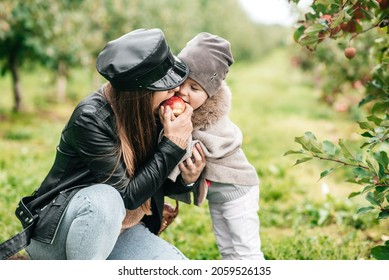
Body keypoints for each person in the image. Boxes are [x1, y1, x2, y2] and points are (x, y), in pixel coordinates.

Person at [11, 28, 206, 260]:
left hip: (119, 232)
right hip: (59, 233)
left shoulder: (153, 114)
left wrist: (187, 179)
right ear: (140, 94)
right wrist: (172, 145)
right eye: (166, 84)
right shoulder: (91, 118)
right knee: (107, 199)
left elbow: (150, 179)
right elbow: (127, 195)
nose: (176, 89)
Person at [172, 32, 265, 260]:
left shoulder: (212, 120)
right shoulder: (185, 110)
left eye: (194, 89)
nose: (184, 92)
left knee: (246, 252)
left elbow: (193, 150)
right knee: (227, 252)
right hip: (219, 196)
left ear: (210, 93)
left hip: (238, 192)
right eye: (182, 83)